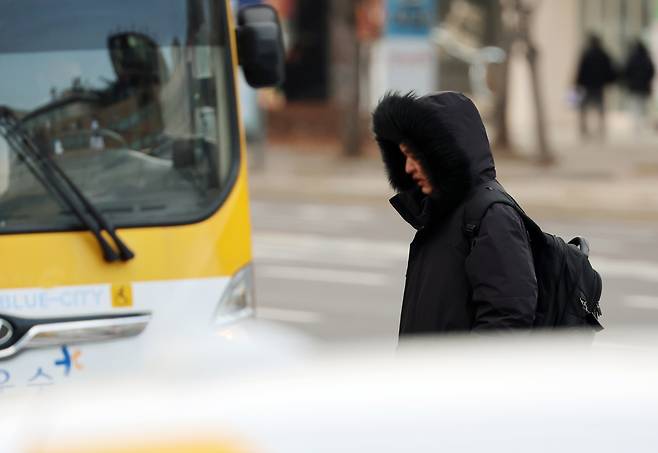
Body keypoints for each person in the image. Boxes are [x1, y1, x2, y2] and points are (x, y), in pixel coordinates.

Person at [372, 91, 537, 335]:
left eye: (417, 155)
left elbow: (507, 322)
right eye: (404, 156)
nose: (408, 167)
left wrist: (459, 374)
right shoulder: (439, 213)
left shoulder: (491, 216)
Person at [575, 34, 617, 140]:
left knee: (584, 108)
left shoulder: (587, 54)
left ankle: (584, 129)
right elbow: (610, 70)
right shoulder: (603, 54)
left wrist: (578, 83)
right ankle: (601, 128)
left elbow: (581, 71)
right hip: (598, 85)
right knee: (599, 107)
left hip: (588, 85)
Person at [623, 40, 655, 133]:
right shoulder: (646, 59)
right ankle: (641, 123)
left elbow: (627, 71)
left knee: (635, 105)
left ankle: (636, 125)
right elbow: (651, 72)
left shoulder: (632, 58)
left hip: (634, 86)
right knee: (642, 106)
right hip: (644, 86)